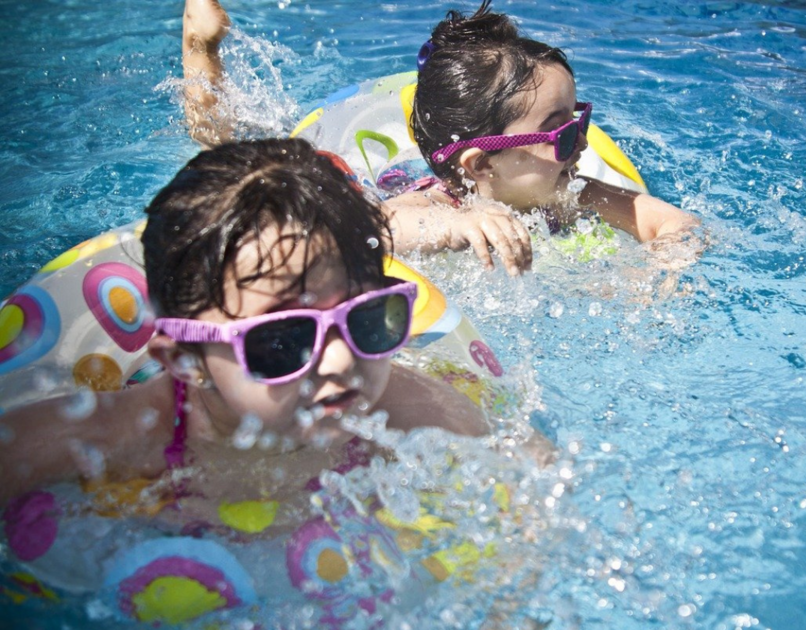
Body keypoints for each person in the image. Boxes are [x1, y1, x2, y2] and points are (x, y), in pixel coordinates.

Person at [0, 137, 488, 509]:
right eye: (284, 339)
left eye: (366, 320)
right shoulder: (105, 443)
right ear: (186, 360)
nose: (341, 360)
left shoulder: (414, 416)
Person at [180, 0, 700, 276]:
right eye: (559, 135)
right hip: (376, 181)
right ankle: (201, 48)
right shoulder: (437, 201)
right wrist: (455, 225)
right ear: (479, 166)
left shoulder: (574, 194)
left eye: (579, 122)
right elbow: (367, 231)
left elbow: (671, 221)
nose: (581, 146)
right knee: (232, 161)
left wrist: (664, 267)